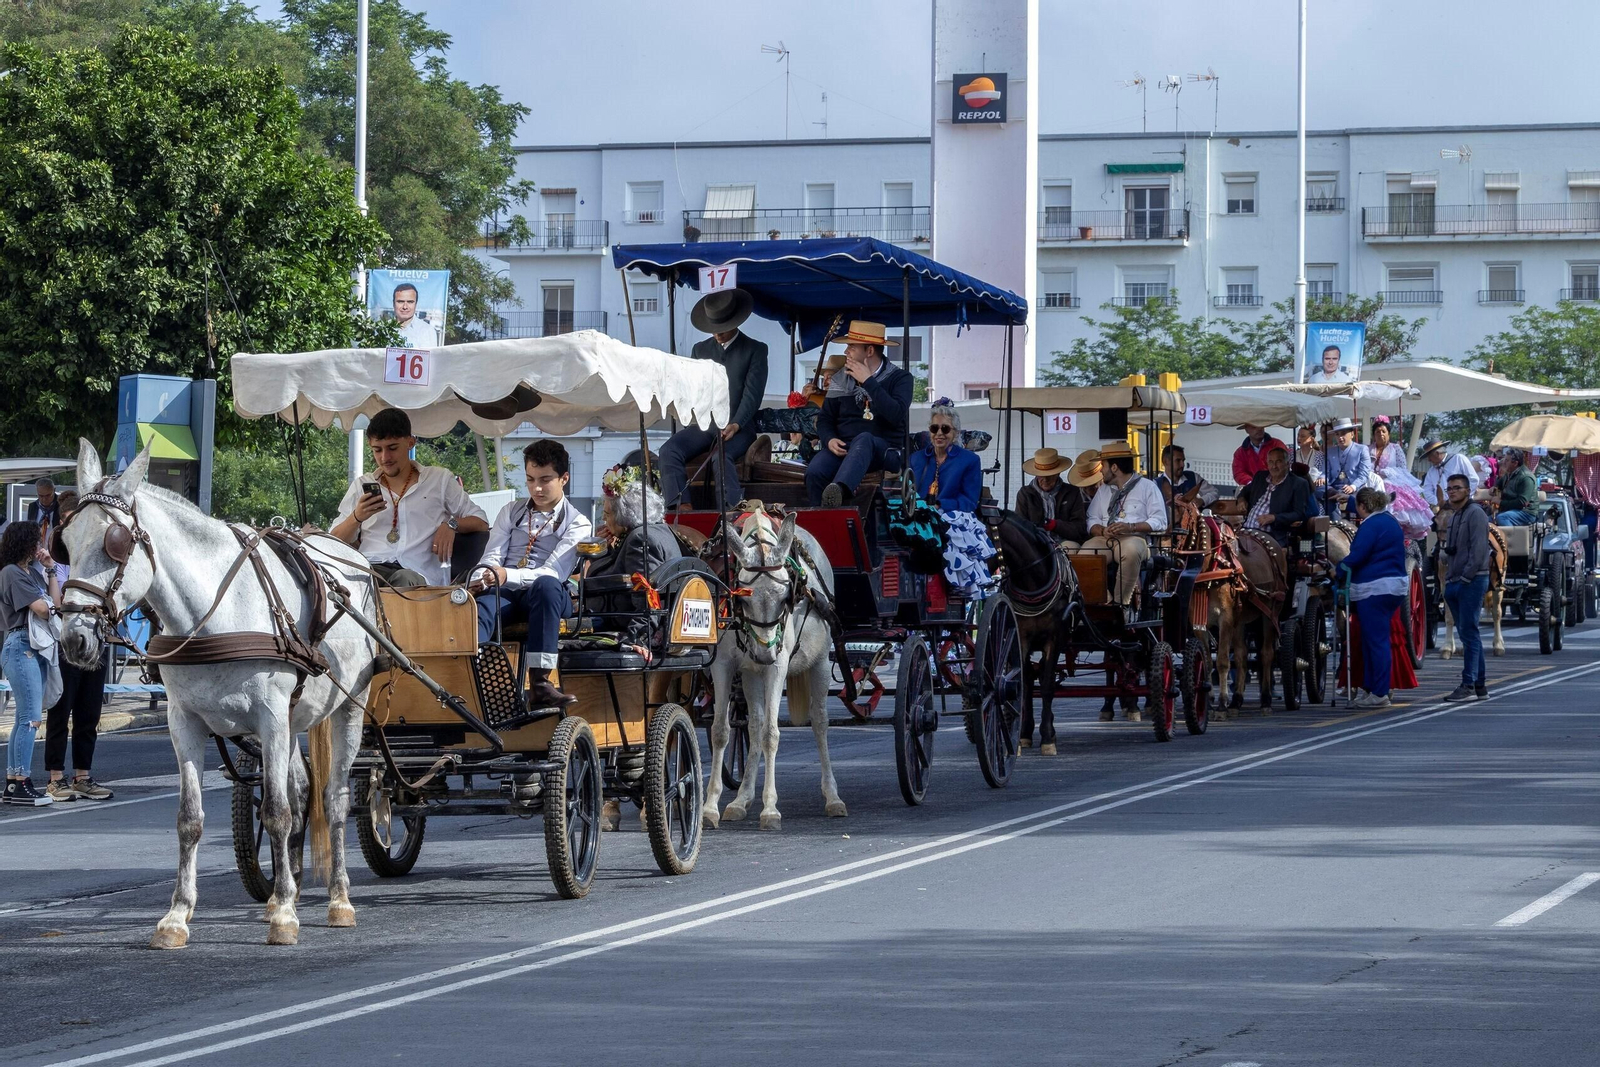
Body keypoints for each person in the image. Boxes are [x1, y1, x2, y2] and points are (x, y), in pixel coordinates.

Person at [476, 440, 593, 708]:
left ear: (564, 478)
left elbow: (553, 571)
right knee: (480, 605)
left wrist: (506, 575)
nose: (536, 488)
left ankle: (540, 684)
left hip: (547, 598)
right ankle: (476, 682)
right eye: (530, 480)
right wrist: (484, 578)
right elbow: (492, 555)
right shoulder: (511, 511)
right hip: (505, 592)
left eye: (545, 480)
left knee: (547, 586)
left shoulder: (577, 522)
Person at [330, 408, 489, 587]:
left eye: (392, 448)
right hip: (371, 570)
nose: (385, 458)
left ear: (410, 442)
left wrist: (452, 524)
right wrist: (356, 517)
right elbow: (333, 541)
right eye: (377, 450)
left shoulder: (439, 480)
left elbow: (481, 521)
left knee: (403, 579)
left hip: (418, 577)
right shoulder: (362, 485)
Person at [659, 289, 769, 511]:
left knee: (721, 457)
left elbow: (752, 395)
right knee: (668, 450)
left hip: (741, 427)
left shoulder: (755, 350)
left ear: (736, 322)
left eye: (722, 329)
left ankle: (731, 511)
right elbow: (693, 391)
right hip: (706, 426)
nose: (717, 334)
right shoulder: (699, 350)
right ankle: (681, 507)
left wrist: (736, 424)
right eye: (714, 329)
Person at [42, 493, 113, 802]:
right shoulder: (56, 560)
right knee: (61, 709)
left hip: (96, 636)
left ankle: (82, 775)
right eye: (72, 520)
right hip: (67, 636)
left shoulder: (95, 555)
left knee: (89, 711)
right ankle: (55, 777)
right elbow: (56, 603)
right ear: (63, 522)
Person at [806, 320, 914, 507]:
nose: (846, 351)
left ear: (869, 351)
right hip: (845, 448)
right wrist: (829, 439)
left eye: (852, 346)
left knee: (864, 438)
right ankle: (822, 525)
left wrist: (868, 381)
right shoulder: (841, 377)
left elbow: (896, 414)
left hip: (885, 451)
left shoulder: (901, 378)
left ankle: (839, 491)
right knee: (815, 471)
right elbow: (825, 419)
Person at [2, 520, 61, 805]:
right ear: (24, 543)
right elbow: (43, 609)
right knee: (31, 720)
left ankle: (14, 784)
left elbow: (56, 603)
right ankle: (21, 780)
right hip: (21, 645)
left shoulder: (34, 574)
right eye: (37, 541)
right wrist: (49, 604)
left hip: (33, 647)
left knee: (23, 718)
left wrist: (50, 570)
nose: (40, 546)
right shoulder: (11, 573)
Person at [910, 400, 995, 592]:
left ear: (955, 432)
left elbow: (969, 500)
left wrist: (941, 505)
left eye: (945, 429)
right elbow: (910, 490)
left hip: (953, 513)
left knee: (947, 529)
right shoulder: (917, 458)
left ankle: (954, 584)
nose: (939, 433)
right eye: (934, 428)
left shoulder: (970, 460)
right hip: (921, 513)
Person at [1337, 487, 1408, 709]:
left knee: (1376, 642)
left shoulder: (1370, 525)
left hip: (1374, 587)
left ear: (1363, 506)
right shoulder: (1390, 521)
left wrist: (1338, 569)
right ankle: (1372, 688)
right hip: (1393, 586)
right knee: (1374, 641)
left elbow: (1357, 555)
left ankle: (1379, 693)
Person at [1082, 442, 1167, 608]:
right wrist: (1101, 530)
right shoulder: (1103, 490)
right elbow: (1091, 518)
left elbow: (1160, 520)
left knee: (1131, 551)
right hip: (1105, 538)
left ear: (1114, 468)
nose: (1100, 470)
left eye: (1103, 466)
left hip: (1134, 538)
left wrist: (1131, 527)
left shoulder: (1148, 487)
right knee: (1084, 553)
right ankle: (1103, 602)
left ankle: (1121, 605)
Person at [1440, 473, 1491, 702]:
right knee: (1468, 634)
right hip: (1455, 579)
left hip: (1470, 580)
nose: (1452, 491)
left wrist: (1466, 579)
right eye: (1449, 488)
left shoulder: (1475, 514)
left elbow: (1479, 551)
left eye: (1457, 488)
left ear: (1467, 490)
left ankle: (1468, 684)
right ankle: (1479, 686)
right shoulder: (1455, 516)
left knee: (1469, 634)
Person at [1237, 439, 1312, 546]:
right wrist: (1241, 500)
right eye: (1271, 462)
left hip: (1272, 534)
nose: (1274, 466)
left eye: (1278, 461)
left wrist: (1274, 517)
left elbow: (1299, 513)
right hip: (1246, 529)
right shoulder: (1260, 477)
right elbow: (1245, 491)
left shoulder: (1298, 484)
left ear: (1287, 464)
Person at [1369, 417, 1434, 541]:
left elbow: (1403, 469)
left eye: (1383, 431)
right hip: (1372, 485)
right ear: (1374, 434)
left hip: (1391, 483)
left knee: (1396, 508)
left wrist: (1387, 472)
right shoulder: (1368, 449)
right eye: (1378, 432)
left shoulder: (1395, 449)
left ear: (1388, 433)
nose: (1381, 434)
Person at [1015, 447, 1089, 545]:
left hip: (1066, 542)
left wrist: (1056, 525)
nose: (1045, 480)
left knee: (1069, 549)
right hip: (1035, 544)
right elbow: (1020, 526)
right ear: (1036, 474)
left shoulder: (1072, 492)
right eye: (1041, 475)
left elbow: (1080, 529)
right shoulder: (1025, 493)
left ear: (1058, 473)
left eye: (1050, 475)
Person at [1319, 418, 1372, 517]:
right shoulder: (1330, 451)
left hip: (1353, 489)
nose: (1340, 438)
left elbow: (1363, 475)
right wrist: (1322, 478)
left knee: (1333, 500)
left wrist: (1353, 486)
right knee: (1316, 488)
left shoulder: (1362, 450)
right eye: (1337, 434)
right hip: (1333, 488)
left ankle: (1337, 525)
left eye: (1343, 434)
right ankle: (1335, 497)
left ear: (1352, 434)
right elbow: (1325, 471)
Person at [1418, 439, 1481, 509]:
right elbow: (1427, 491)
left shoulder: (1458, 459)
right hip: (1444, 509)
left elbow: (1473, 480)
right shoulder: (1431, 471)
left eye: (1429, 456)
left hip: (1464, 505)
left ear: (1437, 453)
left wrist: (1461, 498)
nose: (1429, 460)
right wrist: (1441, 502)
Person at [1155, 444, 1220, 507]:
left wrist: (1202, 500)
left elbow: (1214, 492)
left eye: (1183, 460)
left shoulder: (1193, 477)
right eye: (1178, 460)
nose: (1182, 465)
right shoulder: (1156, 484)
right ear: (1166, 462)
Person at [1492, 447, 1540, 527]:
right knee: (1486, 520)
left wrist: (1501, 502)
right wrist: (1494, 487)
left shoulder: (1526, 477)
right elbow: (1499, 484)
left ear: (1515, 463)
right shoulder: (1509, 473)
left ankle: (1512, 539)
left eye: (1507, 460)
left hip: (1526, 513)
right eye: (1504, 459)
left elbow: (1522, 502)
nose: (1503, 462)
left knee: (1502, 518)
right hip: (1510, 511)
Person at [391, 282, 440, 348]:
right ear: (393, 304)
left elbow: (431, 357)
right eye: (400, 301)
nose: (405, 307)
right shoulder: (381, 330)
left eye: (410, 302)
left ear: (416, 304)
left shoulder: (427, 331)